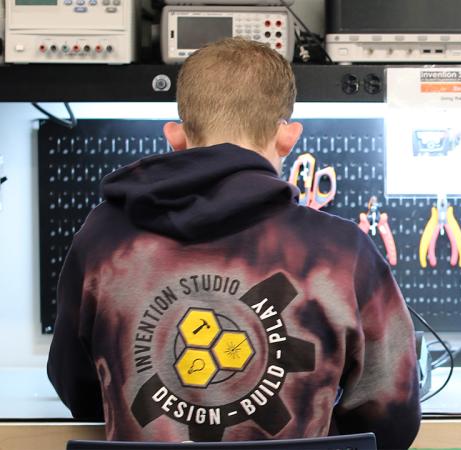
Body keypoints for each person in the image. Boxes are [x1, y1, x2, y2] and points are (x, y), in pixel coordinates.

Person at [47, 38, 421, 449]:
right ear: (288, 139)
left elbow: (79, 392)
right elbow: (391, 418)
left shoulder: (104, 241)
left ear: (175, 136)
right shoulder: (343, 253)